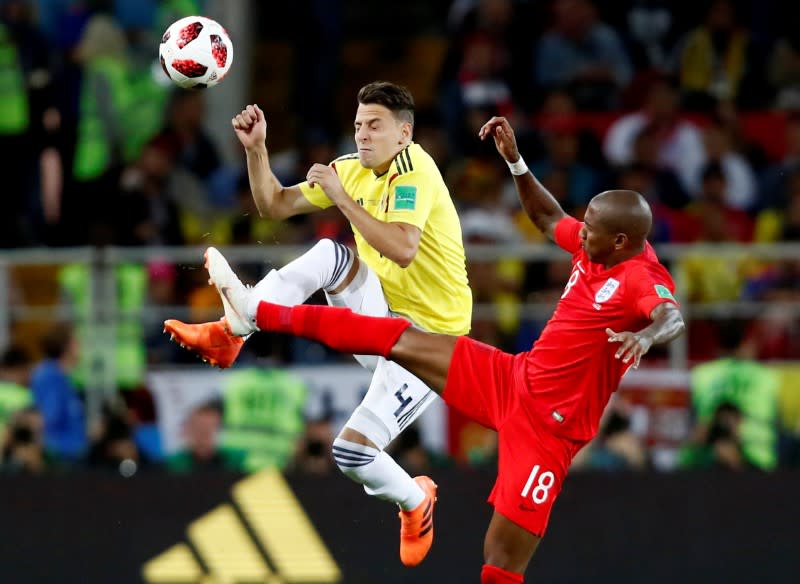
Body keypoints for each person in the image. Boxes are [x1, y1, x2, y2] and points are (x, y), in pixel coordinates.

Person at [187, 116, 686, 582]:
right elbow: (546, 215)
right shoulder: (594, 243)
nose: (582, 231)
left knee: (500, 562)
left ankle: (413, 498)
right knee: (392, 338)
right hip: (511, 378)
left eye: (592, 229)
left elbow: (670, 315)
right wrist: (516, 162)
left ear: (621, 241)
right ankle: (254, 315)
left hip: (549, 432)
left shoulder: (642, 276)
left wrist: (645, 335)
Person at [163, 81, 473, 567]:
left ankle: (415, 501)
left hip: (430, 346)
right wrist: (258, 151)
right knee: (331, 254)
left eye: (375, 126)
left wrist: (342, 201)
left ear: (403, 134)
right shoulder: (351, 170)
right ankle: (232, 332)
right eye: (357, 126)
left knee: (350, 455)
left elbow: (404, 249)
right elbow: (275, 205)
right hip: (384, 319)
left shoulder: (416, 170)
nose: (363, 136)